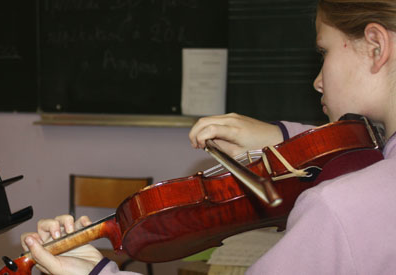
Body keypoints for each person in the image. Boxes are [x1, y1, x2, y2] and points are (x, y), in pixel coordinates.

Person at [21, 0, 396, 274]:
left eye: (323, 52)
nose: (317, 80)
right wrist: (281, 137)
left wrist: (98, 274)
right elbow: (358, 154)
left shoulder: (338, 209)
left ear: (376, 48)